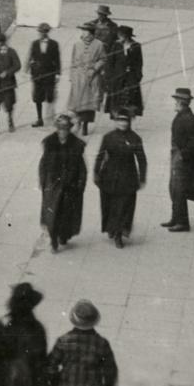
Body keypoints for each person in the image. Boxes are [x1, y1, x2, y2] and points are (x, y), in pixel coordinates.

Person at [93, 111, 147, 247]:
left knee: (124, 206)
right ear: (115, 122)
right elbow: (100, 155)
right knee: (109, 205)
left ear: (129, 122)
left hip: (128, 177)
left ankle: (119, 234)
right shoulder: (108, 137)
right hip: (109, 176)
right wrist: (96, 172)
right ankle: (111, 228)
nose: (122, 123)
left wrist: (142, 177)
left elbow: (142, 160)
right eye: (120, 120)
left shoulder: (135, 138)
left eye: (125, 121)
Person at [39, 113, 88, 252]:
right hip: (53, 186)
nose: (63, 132)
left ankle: (63, 235)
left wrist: (81, 184)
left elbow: (81, 168)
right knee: (53, 214)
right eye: (60, 129)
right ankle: (54, 240)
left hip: (70, 186)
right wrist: (44, 182)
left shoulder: (76, 146)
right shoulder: (50, 144)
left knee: (67, 214)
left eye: (65, 129)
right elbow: (43, 165)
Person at [164, 87, 194, 232]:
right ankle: (175, 217)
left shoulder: (188, 119)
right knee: (173, 188)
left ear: (181, 102)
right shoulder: (183, 115)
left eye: (176, 101)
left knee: (179, 189)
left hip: (181, 159)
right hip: (177, 155)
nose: (175, 103)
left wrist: (182, 156)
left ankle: (182, 222)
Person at [67, 23, 107, 137]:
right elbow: (73, 61)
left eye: (84, 31)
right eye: (82, 31)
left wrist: (94, 69)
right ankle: (78, 122)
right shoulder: (77, 44)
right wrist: (72, 76)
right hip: (78, 78)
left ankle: (85, 124)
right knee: (77, 102)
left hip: (91, 78)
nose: (83, 33)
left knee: (88, 103)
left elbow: (103, 59)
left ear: (90, 32)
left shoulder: (99, 45)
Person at [27, 23, 61, 128]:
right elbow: (30, 57)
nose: (42, 34)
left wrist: (58, 74)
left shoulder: (54, 44)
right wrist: (28, 70)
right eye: (40, 32)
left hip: (49, 74)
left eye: (44, 32)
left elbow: (57, 59)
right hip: (37, 75)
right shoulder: (35, 44)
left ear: (47, 32)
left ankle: (50, 118)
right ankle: (39, 119)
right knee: (38, 97)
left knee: (50, 96)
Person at [0, 32, 21, 135]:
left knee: (9, 105)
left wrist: (7, 73)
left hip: (8, 83)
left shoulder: (12, 52)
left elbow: (17, 65)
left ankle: (10, 122)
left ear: (1, 42)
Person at [114, 25, 145, 119]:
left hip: (131, 76)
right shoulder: (116, 45)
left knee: (131, 96)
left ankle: (130, 115)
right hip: (119, 75)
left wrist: (138, 76)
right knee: (118, 97)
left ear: (126, 36)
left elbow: (139, 62)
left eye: (120, 35)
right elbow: (111, 61)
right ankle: (118, 115)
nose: (119, 37)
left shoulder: (136, 46)